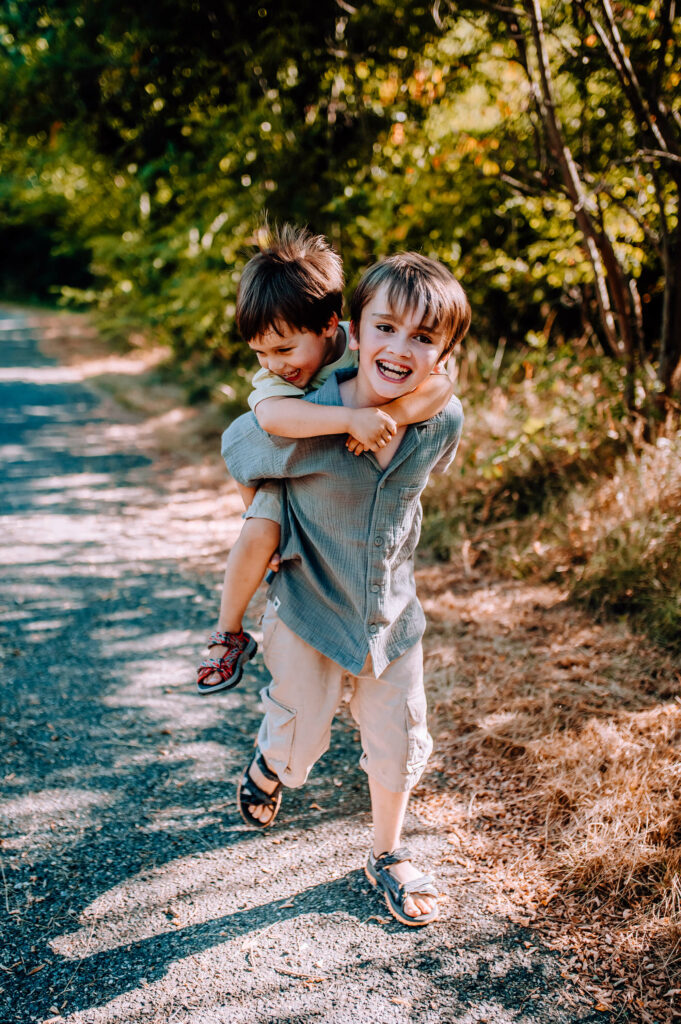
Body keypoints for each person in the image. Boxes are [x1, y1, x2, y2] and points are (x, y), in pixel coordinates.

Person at [221, 251, 470, 927]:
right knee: (299, 741)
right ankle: (271, 764)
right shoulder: (303, 415)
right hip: (306, 607)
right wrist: (269, 517)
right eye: (385, 329)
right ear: (353, 331)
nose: (400, 348)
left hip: (390, 616)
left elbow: (436, 405)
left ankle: (387, 854)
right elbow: (240, 444)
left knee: (399, 737)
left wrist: (418, 400)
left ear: (444, 353)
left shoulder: (438, 422)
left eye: (423, 338)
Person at [197, 226, 454, 693]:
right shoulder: (277, 381)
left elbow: (441, 387)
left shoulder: (359, 347)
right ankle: (229, 632)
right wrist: (349, 421)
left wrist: (387, 414)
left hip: (334, 481)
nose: (273, 364)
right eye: (260, 353)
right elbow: (269, 422)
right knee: (258, 534)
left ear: (331, 327)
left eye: (283, 349)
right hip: (280, 471)